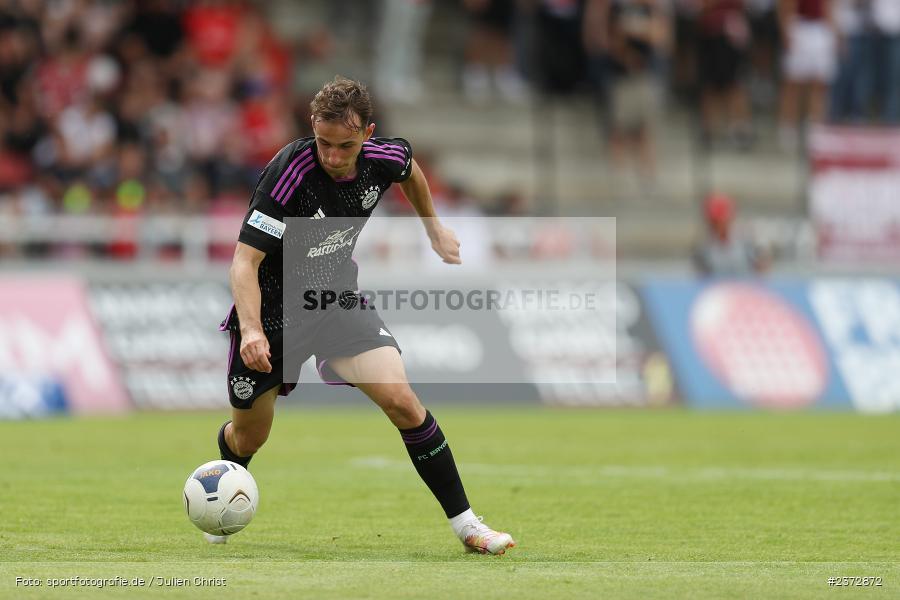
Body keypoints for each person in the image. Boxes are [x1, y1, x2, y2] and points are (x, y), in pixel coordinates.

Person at [210, 76, 516, 555]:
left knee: (403, 402)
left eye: (345, 145)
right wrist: (250, 329)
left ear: (368, 134)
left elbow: (411, 171)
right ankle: (222, 486)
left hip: (333, 301)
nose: (332, 156)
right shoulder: (289, 174)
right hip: (272, 314)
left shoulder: (384, 158)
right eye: (324, 143)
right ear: (312, 127)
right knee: (250, 436)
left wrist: (432, 228)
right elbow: (243, 262)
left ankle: (468, 526)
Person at [693, 192, 770, 276]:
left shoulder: (747, 241)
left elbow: (762, 269)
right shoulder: (704, 248)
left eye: (718, 221)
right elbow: (700, 278)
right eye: (713, 221)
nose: (716, 226)